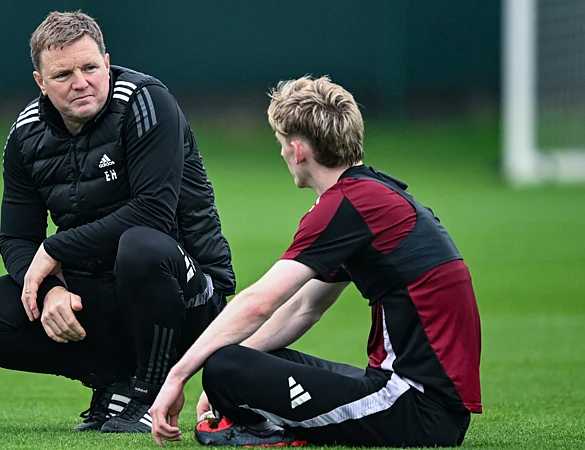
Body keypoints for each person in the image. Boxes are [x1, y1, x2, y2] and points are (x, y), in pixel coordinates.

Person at [149, 76, 482, 447]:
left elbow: (259, 303)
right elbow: (305, 307)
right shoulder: (371, 195)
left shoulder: (348, 205)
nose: (281, 155)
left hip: (417, 411)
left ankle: (266, 432)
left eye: (280, 144)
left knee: (226, 366)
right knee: (239, 358)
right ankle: (262, 420)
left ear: (298, 150)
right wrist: (238, 362)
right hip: (425, 405)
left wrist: (178, 376)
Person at [0, 11, 235, 434]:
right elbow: (16, 236)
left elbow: (154, 212)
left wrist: (54, 249)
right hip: (100, 292)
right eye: (62, 74)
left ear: (107, 62)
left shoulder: (146, 100)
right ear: (40, 83)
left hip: (187, 293)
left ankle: (149, 391)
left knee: (141, 246)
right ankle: (113, 382)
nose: (80, 82)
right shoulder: (26, 135)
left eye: (89, 67)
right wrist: (50, 291)